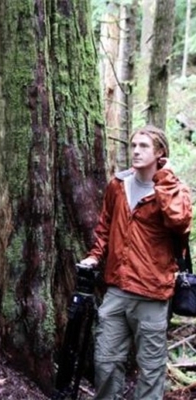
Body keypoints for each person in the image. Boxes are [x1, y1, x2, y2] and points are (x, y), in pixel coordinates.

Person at [80, 125, 193, 400]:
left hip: (153, 295)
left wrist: (163, 179)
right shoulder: (118, 185)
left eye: (143, 146)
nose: (136, 151)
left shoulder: (175, 190)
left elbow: (179, 221)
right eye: (133, 145)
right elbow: (105, 225)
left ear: (160, 153)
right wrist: (95, 255)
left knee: (151, 371)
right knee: (105, 363)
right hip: (116, 290)